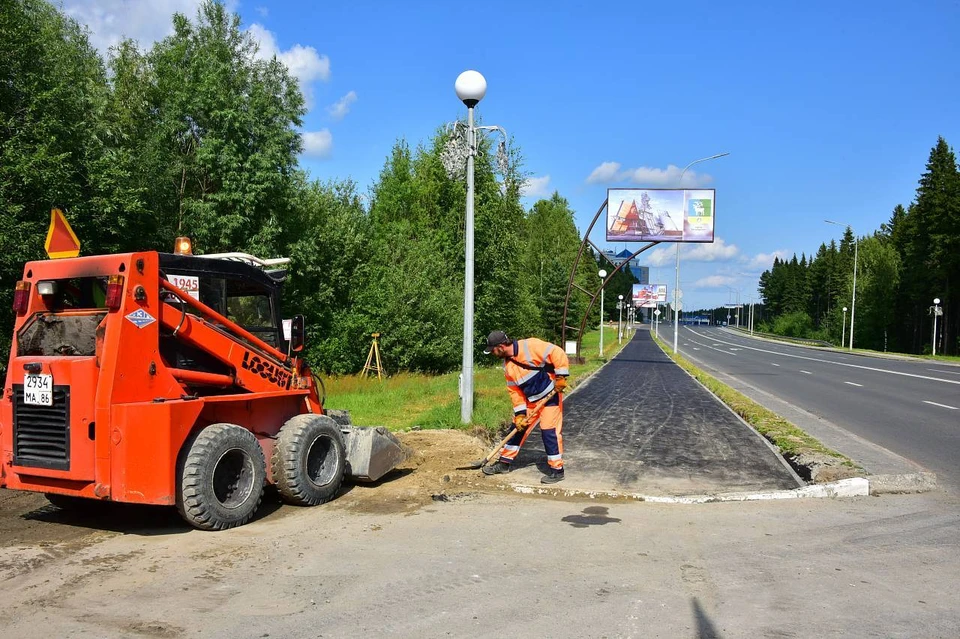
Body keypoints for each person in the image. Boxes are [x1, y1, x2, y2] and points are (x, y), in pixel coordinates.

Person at [482, 330, 570, 484]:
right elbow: (515, 392)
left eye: (493, 350)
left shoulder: (530, 346)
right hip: (531, 401)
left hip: (550, 396)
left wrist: (561, 376)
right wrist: (520, 414)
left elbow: (558, 353)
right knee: (517, 428)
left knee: (549, 432)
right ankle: (504, 464)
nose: (493, 354)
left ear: (501, 347)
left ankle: (557, 470)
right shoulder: (508, 366)